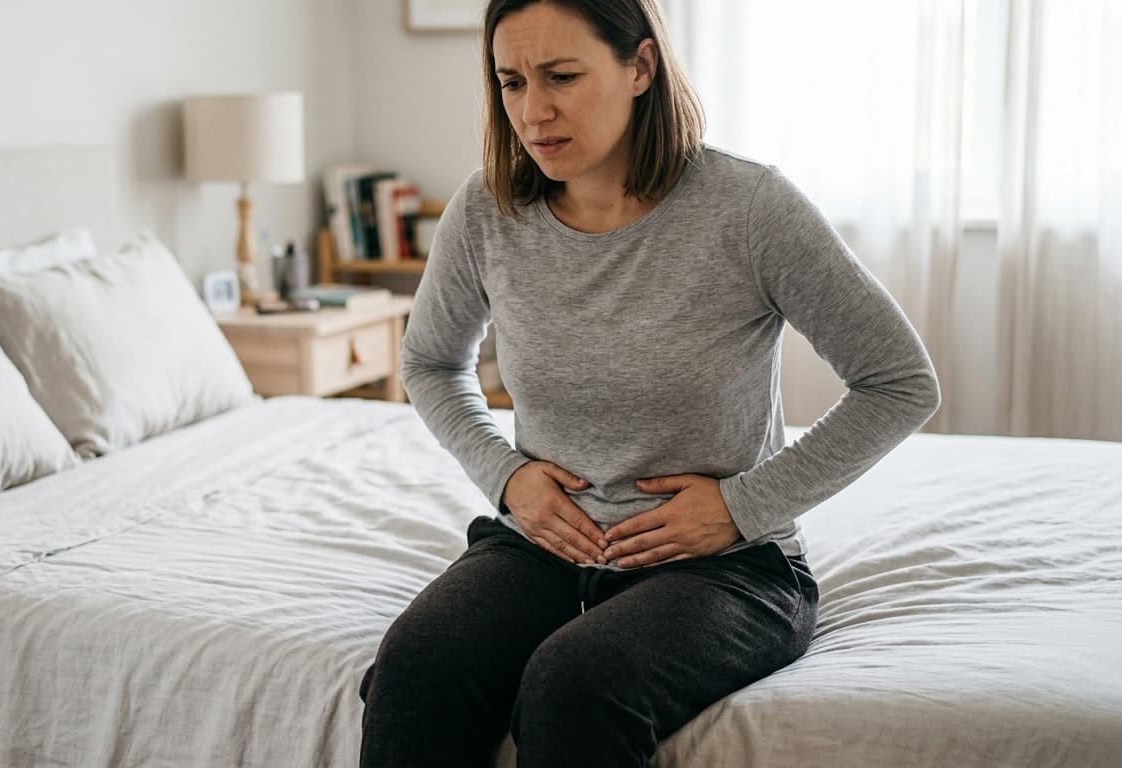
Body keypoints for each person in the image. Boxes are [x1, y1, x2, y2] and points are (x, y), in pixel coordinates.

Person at [358, 0, 941, 765]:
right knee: (415, 670)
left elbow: (899, 382)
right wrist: (507, 479)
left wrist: (741, 506)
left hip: (726, 568)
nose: (534, 111)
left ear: (640, 66)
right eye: (511, 82)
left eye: (563, 76)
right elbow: (429, 363)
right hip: (543, 544)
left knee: (572, 684)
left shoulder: (748, 207)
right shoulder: (486, 211)